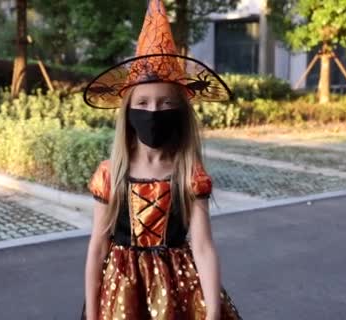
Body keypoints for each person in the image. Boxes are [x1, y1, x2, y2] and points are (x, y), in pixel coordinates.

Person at [82, 1, 242, 319]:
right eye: (142, 102)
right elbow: (97, 248)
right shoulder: (110, 174)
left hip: (180, 291)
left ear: (180, 113)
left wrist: (211, 313)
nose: (153, 112)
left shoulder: (189, 174)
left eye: (166, 103)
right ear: (127, 112)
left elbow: (203, 246)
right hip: (123, 291)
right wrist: (92, 308)